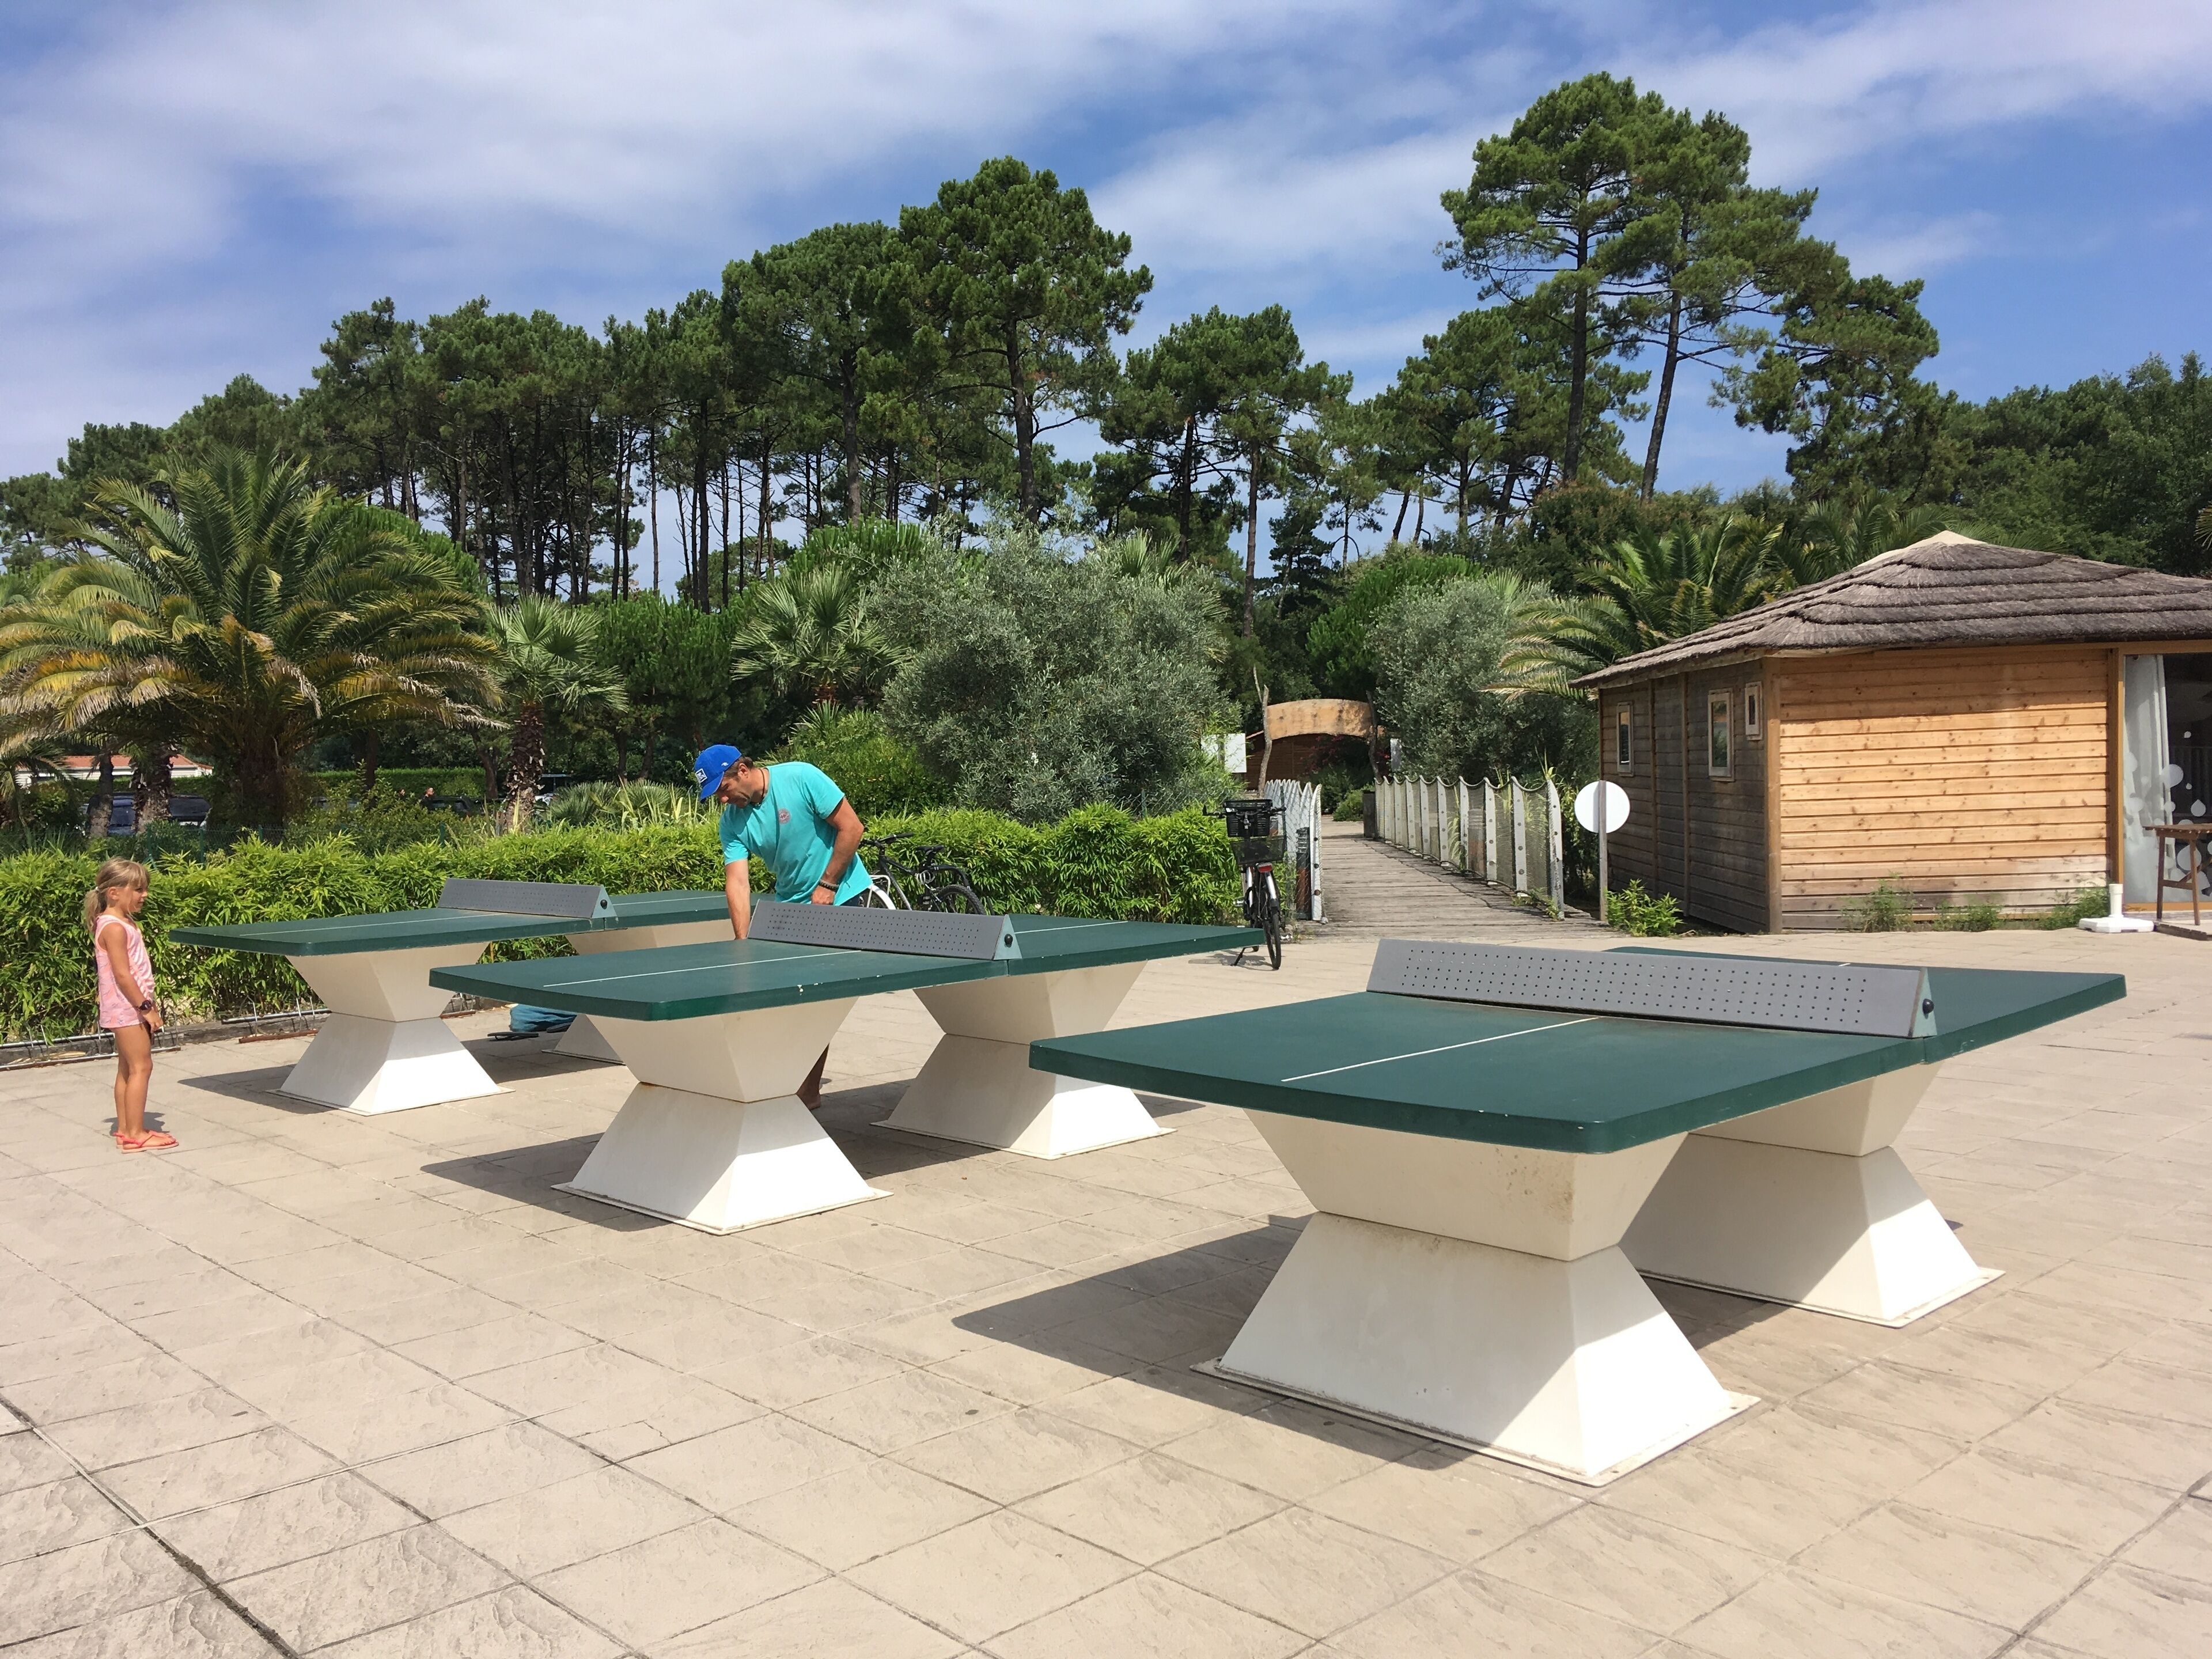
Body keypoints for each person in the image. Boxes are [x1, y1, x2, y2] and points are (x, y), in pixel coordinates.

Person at [695, 743, 870, 1107]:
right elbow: (738, 883)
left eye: (723, 789)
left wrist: (828, 884)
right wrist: (743, 942)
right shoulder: (732, 822)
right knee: (795, 1003)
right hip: (792, 910)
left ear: (742, 770)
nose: (723, 801)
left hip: (842, 895)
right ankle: (802, 1090)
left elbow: (852, 828)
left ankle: (807, 1092)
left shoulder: (802, 778)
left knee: (815, 1000)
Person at [87, 858, 175, 1152]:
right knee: (142, 1067)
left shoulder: (121, 922)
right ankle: (136, 1133)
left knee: (127, 1068)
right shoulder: (114, 927)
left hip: (124, 1007)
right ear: (114, 892)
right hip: (128, 1007)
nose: (144, 895)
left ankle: (126, 1129)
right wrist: (146, 1007)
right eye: (138, 889)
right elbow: (123, 975)